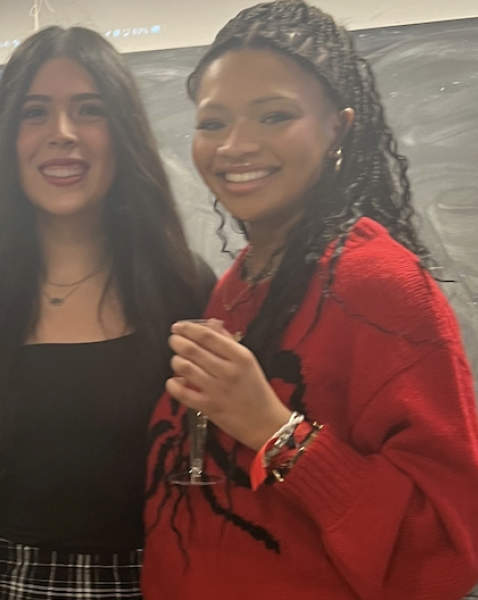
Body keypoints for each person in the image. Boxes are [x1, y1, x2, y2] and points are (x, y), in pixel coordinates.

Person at [143, 1, 478, 599]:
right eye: (212, 122)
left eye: (274, 116)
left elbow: (446, 552)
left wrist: (276, 432)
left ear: (339, 130)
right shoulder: (235, 287)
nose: (235, 146)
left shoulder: (379, 286)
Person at [0, 25, 209, 599]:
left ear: (122, 133)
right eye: (34, 113)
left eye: (88, 110)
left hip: (148, 583)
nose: (61, 135)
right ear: (7, 139)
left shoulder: (181, 289)